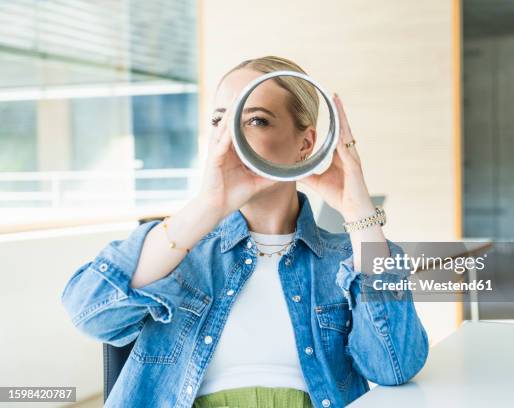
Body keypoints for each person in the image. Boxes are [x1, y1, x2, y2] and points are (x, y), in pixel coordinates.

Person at [61, 56, 429, 408]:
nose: (231, 136)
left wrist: (358, 212)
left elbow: (394, 366)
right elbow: (88, 313)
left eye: (255, 120)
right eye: (220, 120)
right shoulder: (179, 253)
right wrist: (208, 205)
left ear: (305, 143)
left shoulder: (344, 260)